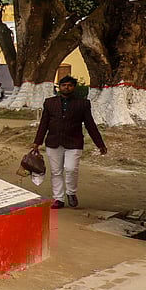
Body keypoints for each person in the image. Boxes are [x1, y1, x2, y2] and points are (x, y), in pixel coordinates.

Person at [33, 75, 108, 209]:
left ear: (74, 87)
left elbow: (90, 125)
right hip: (53, 142)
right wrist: (37, 142)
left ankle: (71, 193)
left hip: (74, 142)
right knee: (56, 172)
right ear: (59, 87)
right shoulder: (50, 102)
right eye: (64, 85)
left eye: (69, 85)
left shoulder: (82, 104)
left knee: (71, 169)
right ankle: (58, 199)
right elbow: (44, 123)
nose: (66, 87)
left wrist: (100, 144)